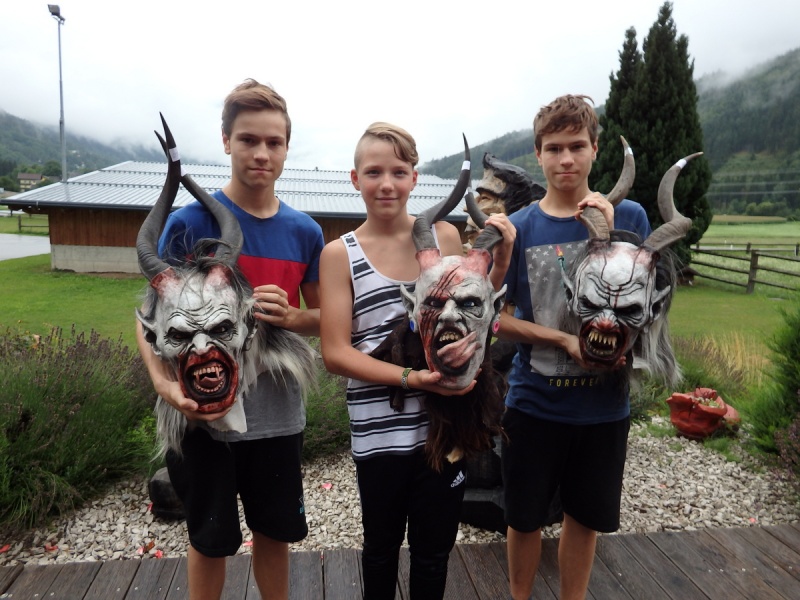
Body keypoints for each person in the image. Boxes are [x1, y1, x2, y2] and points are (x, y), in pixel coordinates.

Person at [136, 79, 324, 600]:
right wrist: (165, 387)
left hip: (278, 416)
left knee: (275, 533)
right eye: (248, 140)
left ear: (287, 147)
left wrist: (293, 316)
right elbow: (149, 318)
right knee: (210, 539)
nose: (261, 153)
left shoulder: (304, 231)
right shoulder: (187, 223)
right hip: (201, 418)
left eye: (273, 142)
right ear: (226, 141)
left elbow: (324, 319)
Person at [319, 122, 514, 599]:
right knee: (380, 548)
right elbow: (336, 353)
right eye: (374, 172)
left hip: (442, 429)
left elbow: (477, 311)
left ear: (414, 178)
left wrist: (503, 261)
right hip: (378, 435)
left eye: (398, 172)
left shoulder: (444, 237)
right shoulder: (339, 254)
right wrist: (413, 378)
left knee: (433, 551)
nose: (386, 183)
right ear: (355, 178)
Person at [498, 94, 652, 600]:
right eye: (554, 148)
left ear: (595, 150)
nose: (566, 159)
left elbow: (646, 304)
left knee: (583, 519)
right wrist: (563, 339)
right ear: (537, 154)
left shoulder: (630, 215)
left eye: (577, 146)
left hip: (603, 408)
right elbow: (497, 321)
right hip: (533, 403)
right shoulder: (521, 227)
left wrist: (613, 232)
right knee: (523, 519)